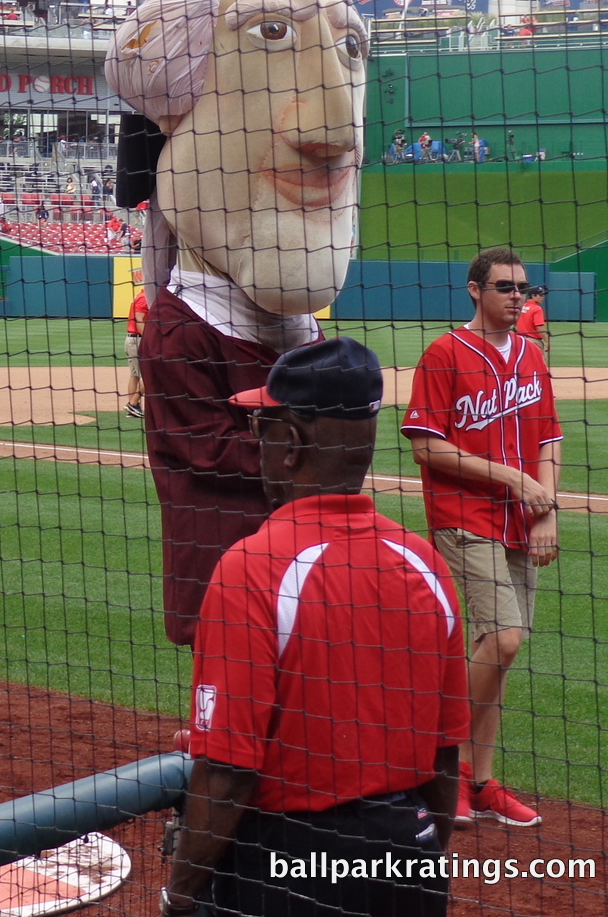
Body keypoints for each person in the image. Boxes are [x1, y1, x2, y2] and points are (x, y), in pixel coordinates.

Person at [104, 0, 366, 646]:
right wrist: (316, 454)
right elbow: (205, 451)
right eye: (272, 34)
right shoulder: (181, 328)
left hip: (300, 564)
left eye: (349, 47)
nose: (336, 130)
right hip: (228, 569)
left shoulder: (299, 327)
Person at [163, 337, 467, 917]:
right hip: (412, 855)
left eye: (263, 426)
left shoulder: (252, 568)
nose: (257, 441)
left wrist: (179, 896)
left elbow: (227, 772)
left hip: (291, 865)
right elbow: (446, 756)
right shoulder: (425, 562)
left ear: (292, 444)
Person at [402, 247, 561, 829]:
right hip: (462, 515)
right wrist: (513, 479)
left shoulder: (531, 356)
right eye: (504, 287)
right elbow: (426, 445)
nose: (517, 296)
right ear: (475, 290)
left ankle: (479, 781)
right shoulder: (444, 352)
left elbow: (550, 439)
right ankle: (440, 765)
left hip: (523, 522)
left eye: (523, 287)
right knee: (505, 638)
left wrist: (546, 510)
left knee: (497, 656)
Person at [124, 284, 148, 418]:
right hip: (138, 339)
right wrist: (148, 339)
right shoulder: (144, 297)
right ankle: (133, 404)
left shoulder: (141, 295)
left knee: (135, 375)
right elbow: (139, 319)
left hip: (133, 339)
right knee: (149, 373)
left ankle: (133, 408)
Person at [515, 285, 549, 357]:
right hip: (533, 342)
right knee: (539, 366)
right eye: (540, 295)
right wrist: (547, 341)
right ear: (533, 295)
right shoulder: (537, 309)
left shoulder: (522, 306)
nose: (543, 297)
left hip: (519, 341)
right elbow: (539, 328)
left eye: (543, 295)